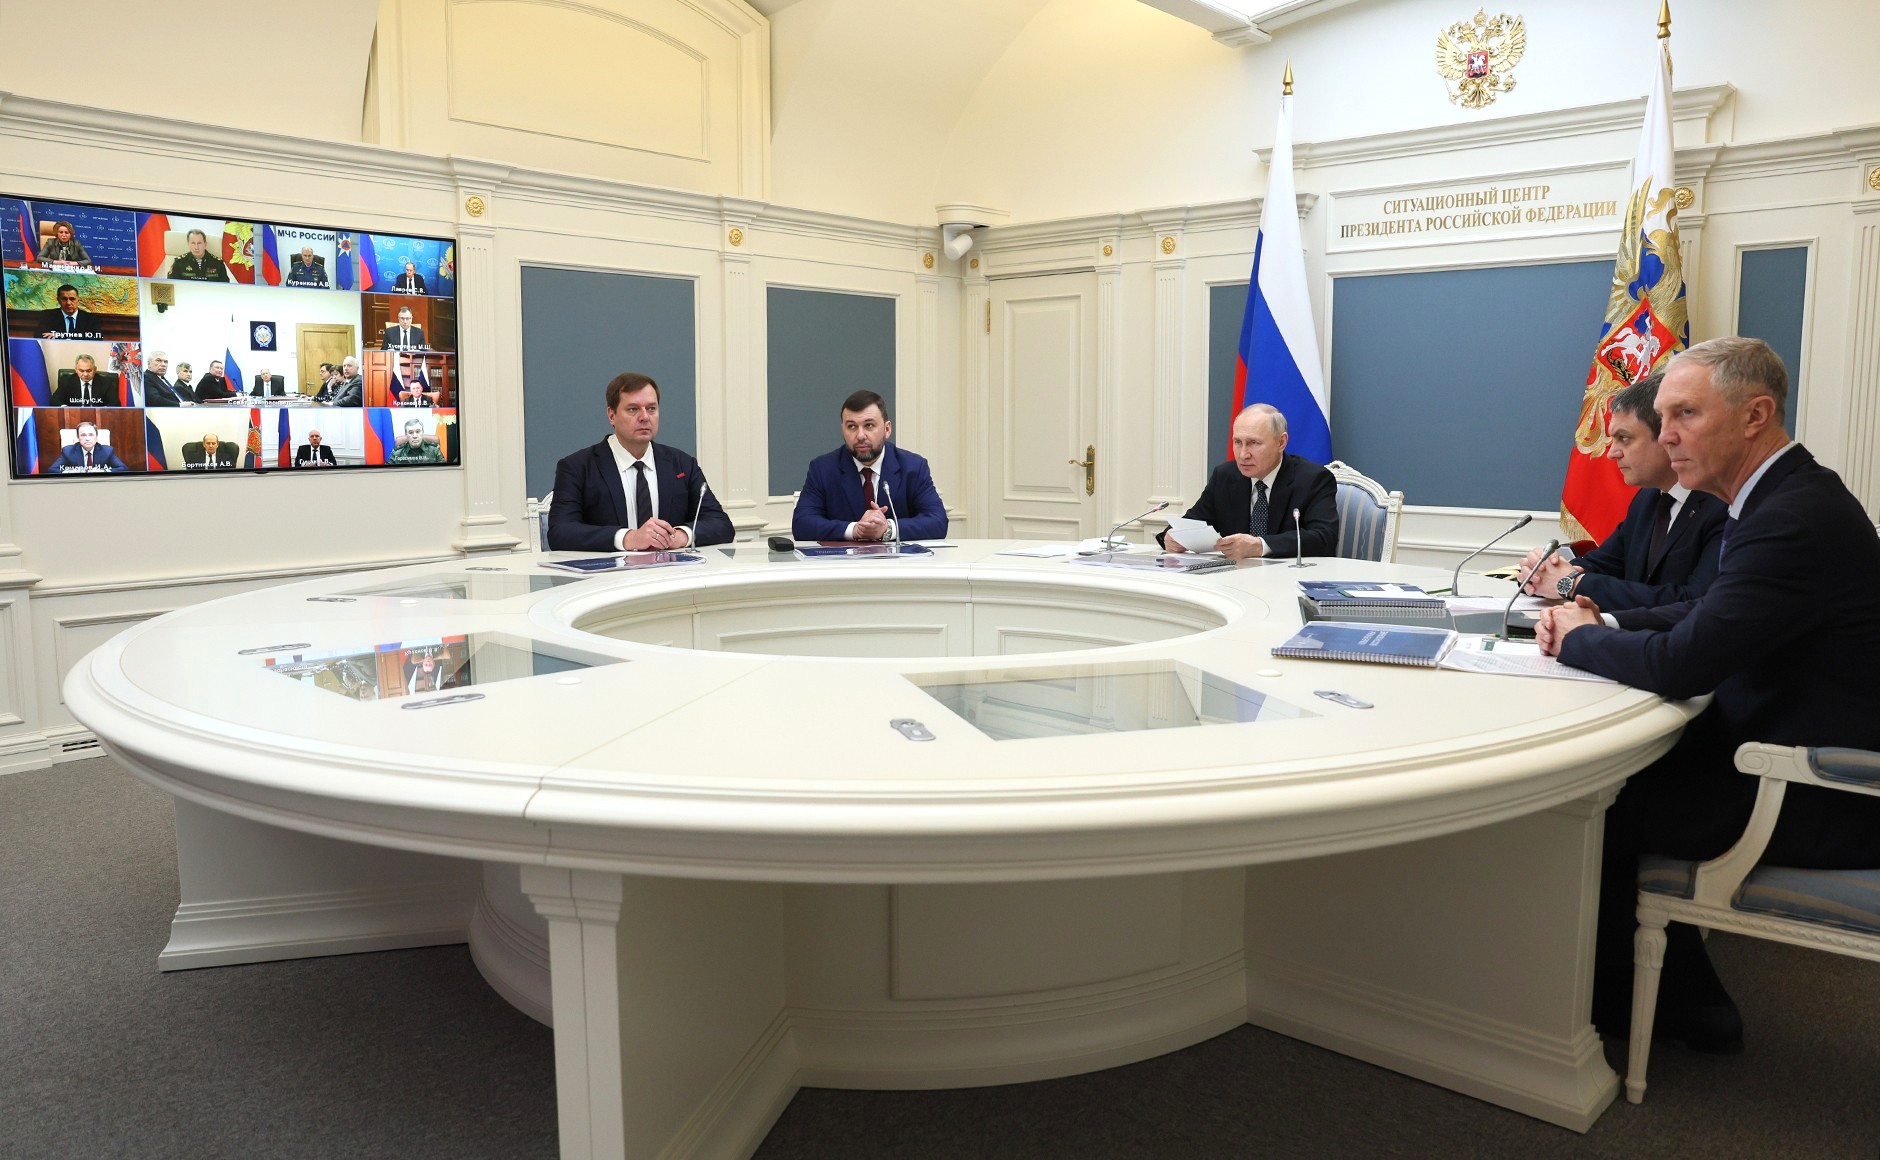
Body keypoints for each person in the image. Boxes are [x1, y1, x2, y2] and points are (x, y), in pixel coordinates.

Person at [1536, 337, 1880, 1052]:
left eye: (1685, 415)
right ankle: (1673, 997)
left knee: (1589, 801)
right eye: (1662, 417)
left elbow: (1684, 663)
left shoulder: (1790, 517)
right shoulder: (1784, 496)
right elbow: (1708, 612)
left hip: (1814, 790)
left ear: (1755, 416)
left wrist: (1577, 638)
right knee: (1614, 775)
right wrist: (1606, 621)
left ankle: (1632, 1013)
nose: (1665, 436)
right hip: (1776, 739)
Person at [1520, 371, 1725, 610]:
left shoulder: (1722, 504)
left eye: (1624, 438)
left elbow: (1693, 601)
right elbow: (1604, 564)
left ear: (1668, 437)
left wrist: (1571, 583)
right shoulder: (1648, 499)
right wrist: (1543, 573)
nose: (1612, 453)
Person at [547, 371, 733, 551]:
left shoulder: (682, 464)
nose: (644, 417)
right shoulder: (577, 467)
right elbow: (560, 532)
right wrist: (629, 538)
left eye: (651, 408)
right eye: (633, 409)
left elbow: (721, 524)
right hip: (610, 571)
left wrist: (679, 536)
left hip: (671, 569)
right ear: (611, 415)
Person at [1160, 403, 1338, 559]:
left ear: (1281, 442)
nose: (1243, 454)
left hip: (1287, 578)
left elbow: (1324, 538)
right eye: (1238, 442)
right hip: (1233, 578)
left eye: (1254, 443)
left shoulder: (1313, 479)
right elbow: (1192, 523)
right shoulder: (1225, 476)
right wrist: (1172, 537)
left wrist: (1260, 546)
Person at [792, 389, 946, 542]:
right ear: (843, 429)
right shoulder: (823, 469)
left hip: (897, 558)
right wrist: (855, 529)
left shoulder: (913, 467)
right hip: (844, 558)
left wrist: (887, 528)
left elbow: (938, 521)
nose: (860, 436)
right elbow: (802, 525)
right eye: (851, 426)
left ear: (887, 429)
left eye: (869, 425)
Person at [52, 421, 128, 472]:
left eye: (91, 435)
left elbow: (123, 468)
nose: (87, 438)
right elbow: (52, 470)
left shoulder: (107, 451)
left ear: (96, 437)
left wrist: (102, 471)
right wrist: (73, 472)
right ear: (78, 437)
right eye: (83, 435)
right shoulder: (68, 451)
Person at [37, 284, 103, 340]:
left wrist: (59, 335)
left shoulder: (91, 319)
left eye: (72, 299)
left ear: (78, 300)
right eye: (64, 299)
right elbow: (40, 338)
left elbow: (97, 339)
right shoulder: (48, 316)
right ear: (58, 300)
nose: (68, 303)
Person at [52, 354, 120, 406]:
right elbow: (54, 401)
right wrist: (65, 408)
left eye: (89, 371)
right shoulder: (67, 381)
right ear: (76, 370)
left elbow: (115, 403)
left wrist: (104, 411)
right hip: (74, 416)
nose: (85, 374)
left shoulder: (106, 382)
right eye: (81, 371)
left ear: (95, 369)